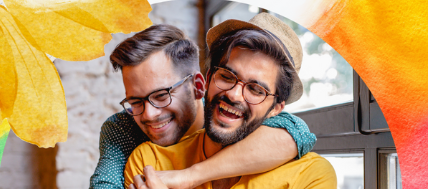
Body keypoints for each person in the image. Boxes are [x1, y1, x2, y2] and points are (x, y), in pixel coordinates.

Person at [90, 24, 316, 189]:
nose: (149, 114)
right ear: (210, 79)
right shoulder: (124, 130)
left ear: (199, 86)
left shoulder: (273, 139)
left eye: (161, 96)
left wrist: (189, 176)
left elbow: (298, 132)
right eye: (136, 101)